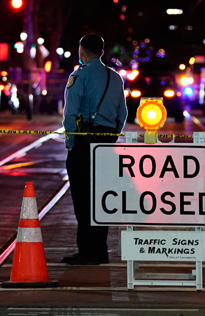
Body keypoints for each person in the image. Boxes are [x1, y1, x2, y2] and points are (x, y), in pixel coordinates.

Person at [62, 33, 128, 265]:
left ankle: (87, 251)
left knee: (82, 196)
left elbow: (70, 114)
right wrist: (112, 137)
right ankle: (100, 249)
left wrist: (71, 143)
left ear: (82, 51)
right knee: (102, 197)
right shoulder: (116, 78)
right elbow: (123, 114)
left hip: (84, 140)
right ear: (101, 52)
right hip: (106, 141)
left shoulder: (79, 75)